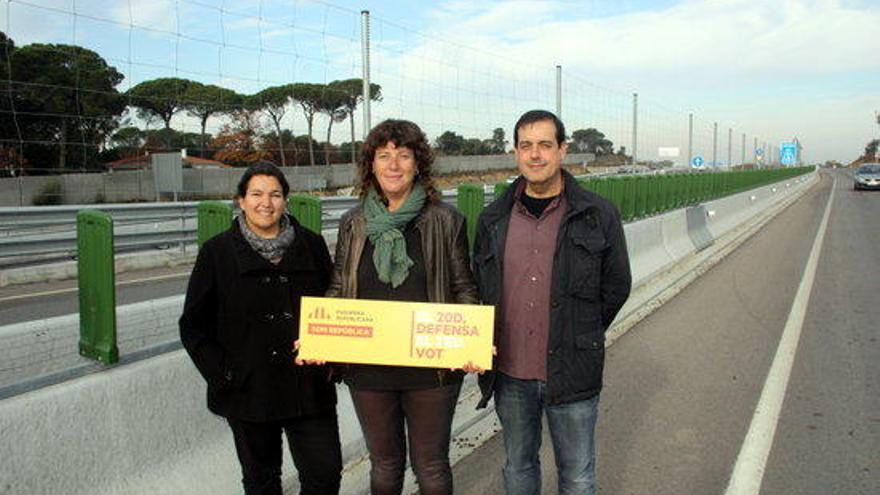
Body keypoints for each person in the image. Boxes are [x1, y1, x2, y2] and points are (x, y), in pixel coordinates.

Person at [473, 110, 632, 495]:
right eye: (526, 146)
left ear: (563, 150)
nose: (535, 155)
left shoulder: (597, 214)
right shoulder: (492, 218)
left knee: (577, 476)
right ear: (515, 152)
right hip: (510, 373)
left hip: (573, 370)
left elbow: (617, 285)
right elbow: (481, 287)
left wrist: (580, 332)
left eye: (545, 145)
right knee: (518, 468)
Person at [326, 119, 478, 495]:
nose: (393, 165)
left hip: (431, 367)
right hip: (368, 367)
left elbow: (463, 287)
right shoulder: (353, 223)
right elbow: (339, 286)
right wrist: (318, 337)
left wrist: (472, 342)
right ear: (371, 165)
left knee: (431, 466)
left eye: (403, 155)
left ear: (418, 164)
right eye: (384, 155)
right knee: (385, 466)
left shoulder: (446, 220)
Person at [179, 162, 342, 495]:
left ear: (286, 200)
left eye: (275, 194)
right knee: (261, 482)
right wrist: (225, 375)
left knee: (325, 475)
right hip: (248, 391)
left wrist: (331, 358)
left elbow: (334, 306)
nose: (265, 203)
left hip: (308, 387)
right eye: (256, 194)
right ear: (241, 200)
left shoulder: (311, 245)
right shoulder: (217, 252)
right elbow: (194, 325)